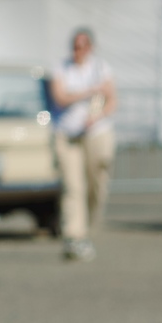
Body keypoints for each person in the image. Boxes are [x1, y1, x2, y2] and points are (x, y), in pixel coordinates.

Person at [49, 28, 117, 262]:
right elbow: (60, 97)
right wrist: (88, 91)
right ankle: (74, 235)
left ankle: (88, 227)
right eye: (75, 46)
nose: (78, 51)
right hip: (68, 134)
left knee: (96, 181)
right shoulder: (62, 68)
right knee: (73, 185)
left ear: (90, 48)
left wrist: (97, 116)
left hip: (95, 131)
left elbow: (111, 100)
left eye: (82, 46)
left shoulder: (101, 68)